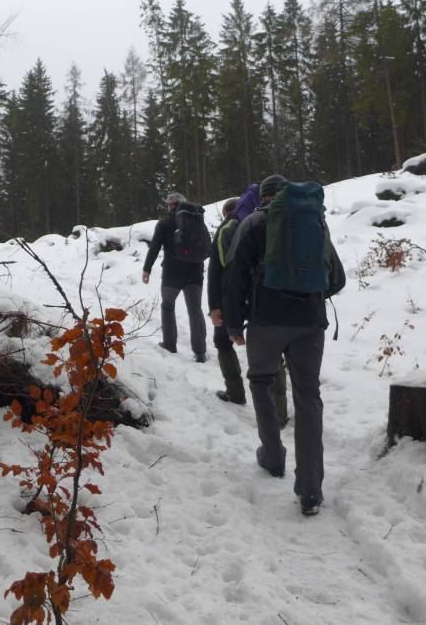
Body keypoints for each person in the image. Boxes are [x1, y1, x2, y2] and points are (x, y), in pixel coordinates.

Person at [222, 174, 346, 516]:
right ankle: (310, 490)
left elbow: (233, 276)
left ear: (262, 197)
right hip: (310, 322)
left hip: (266, 320)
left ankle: (273, 457)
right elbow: (337, 278)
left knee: (261, 381)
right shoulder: (314, 221)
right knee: (308, 397)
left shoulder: (252, 224)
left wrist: (234, 322)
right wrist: (309, 296)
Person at [207, 197, 289, 426]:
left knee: (223, 342)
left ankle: (235, 392)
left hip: (231, 296)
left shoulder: (228, 229)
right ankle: (280, 411)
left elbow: (217, 270)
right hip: (266, 297)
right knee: (274, 352)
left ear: (226, 212)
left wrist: (215, 306)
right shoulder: (266, 222)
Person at [143, 192, 208, 362]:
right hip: (195, 272)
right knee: (195, 309)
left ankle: (170, 344)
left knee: (167, 306)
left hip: (172, 273)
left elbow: (155, 247)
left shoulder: (164, 223)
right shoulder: (196, 219)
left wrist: (147, 269)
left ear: (169, 205)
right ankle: (200, 352)